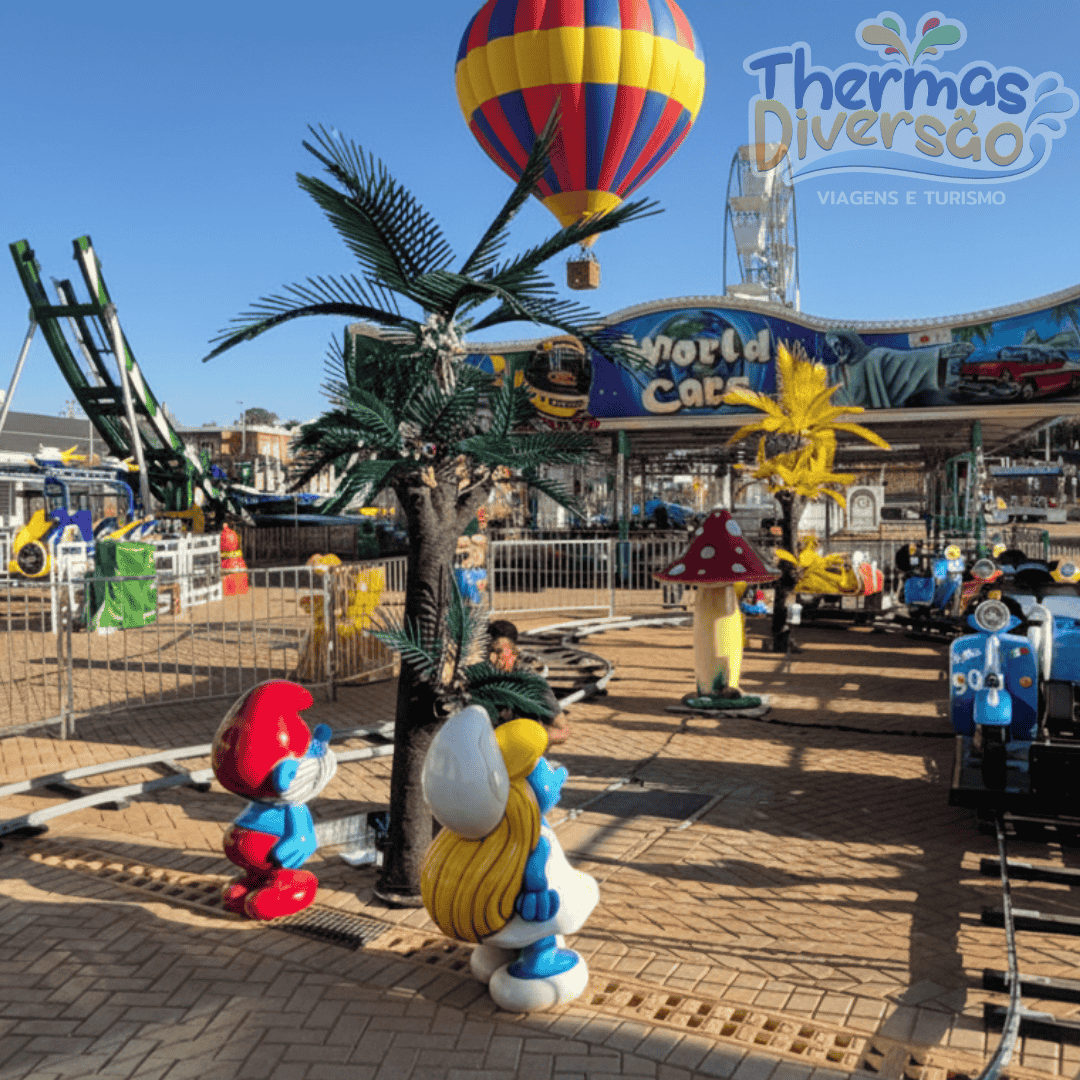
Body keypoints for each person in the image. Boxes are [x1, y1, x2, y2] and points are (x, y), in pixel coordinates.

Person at [488, 620, 571, 745]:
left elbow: (562, 731)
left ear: (514, 652)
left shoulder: (531, 682)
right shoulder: (474, 676)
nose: (492, 658)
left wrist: (528, 739)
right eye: (488, 651)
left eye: (499, 651)